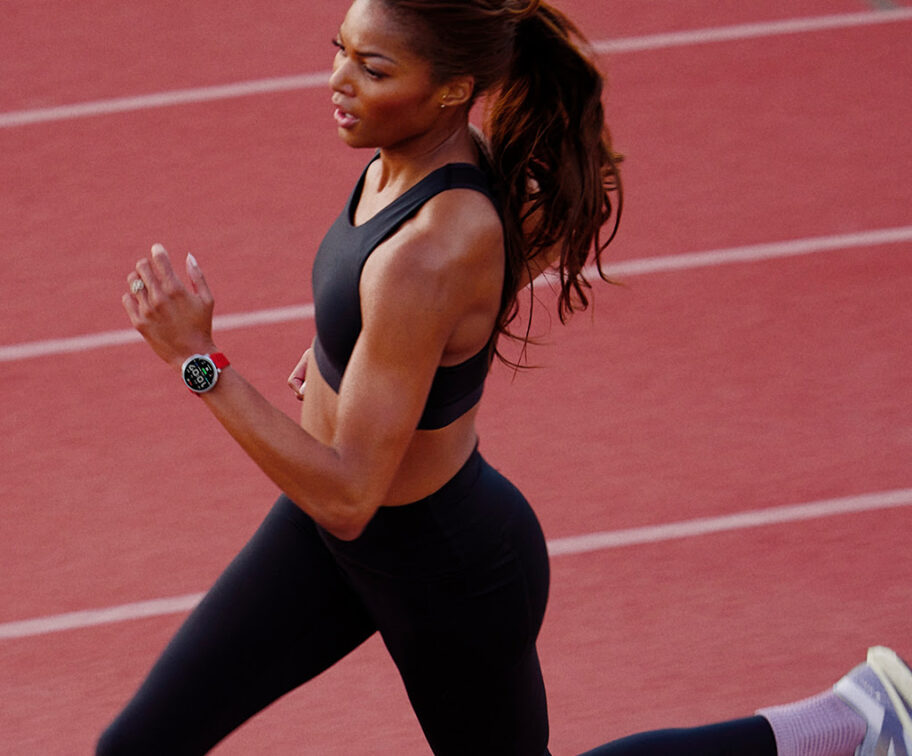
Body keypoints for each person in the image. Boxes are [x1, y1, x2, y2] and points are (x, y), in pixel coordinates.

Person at [103, 0, 912, 754]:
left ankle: (854, 719)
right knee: (136, 746)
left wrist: (196, 360)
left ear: (454, 89)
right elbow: (500, 254)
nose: (339, 82)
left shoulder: (431, 248)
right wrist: (347, 361)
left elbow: (351, 495)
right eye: (340, 52)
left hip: (442, 569)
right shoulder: (414, 163)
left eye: (374, 70)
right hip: (325, 543)